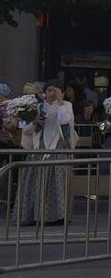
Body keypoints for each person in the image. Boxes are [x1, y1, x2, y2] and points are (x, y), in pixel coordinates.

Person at [12, 82, 73, 224]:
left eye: (56, 90)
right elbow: (26, 130)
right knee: (34, 180)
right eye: (49, 90)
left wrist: (61, 102)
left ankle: (57, 215)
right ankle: (33, 214)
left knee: (56, 182)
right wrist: (34, 122)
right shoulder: (37, 107)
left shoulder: (66, 106)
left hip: (57, 146)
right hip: (39, 146)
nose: (52, 93)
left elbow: (65, 121)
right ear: (44, 92)